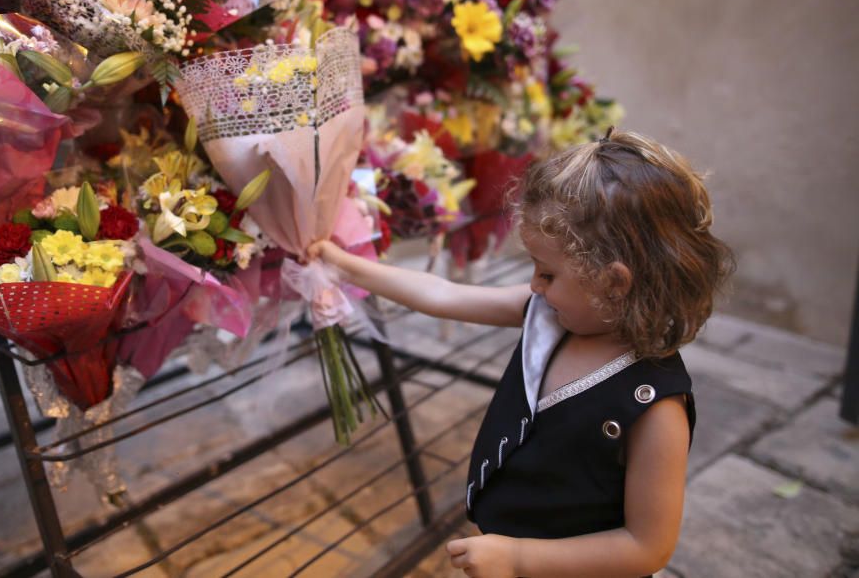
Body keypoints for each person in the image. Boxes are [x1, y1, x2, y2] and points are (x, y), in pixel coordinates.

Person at [307, 129, 734, 577]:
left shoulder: (654, 407)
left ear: (614, 283)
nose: (535, 285)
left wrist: (519, 558)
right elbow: (443, 296)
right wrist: (344, 263)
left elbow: (647, 547)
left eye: (547, 272)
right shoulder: (548, 315)